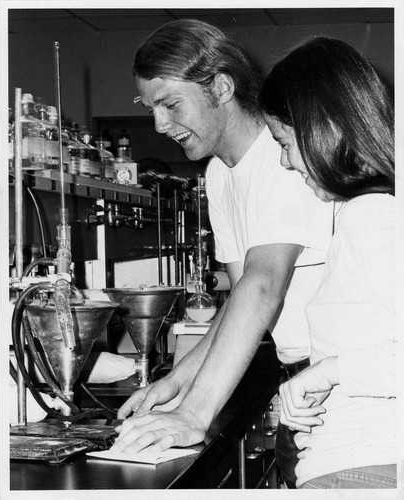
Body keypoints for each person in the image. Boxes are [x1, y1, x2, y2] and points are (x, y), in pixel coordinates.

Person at [111, 20, 334, 483]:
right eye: (150, 107)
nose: (159, 124)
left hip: (339, 379)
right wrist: (176, 380)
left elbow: (263, 284)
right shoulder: (220, 173)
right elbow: (239, 301)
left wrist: (193, 413)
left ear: (222, 86)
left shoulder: (279, 158)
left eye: (171, 104)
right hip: (300, 377)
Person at [259, 36, 396, 488]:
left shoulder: (373, 215)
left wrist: (325, 372)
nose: (283, 161)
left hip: (365, 467)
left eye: (285, 141)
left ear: (326, 128)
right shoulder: (366, 212)